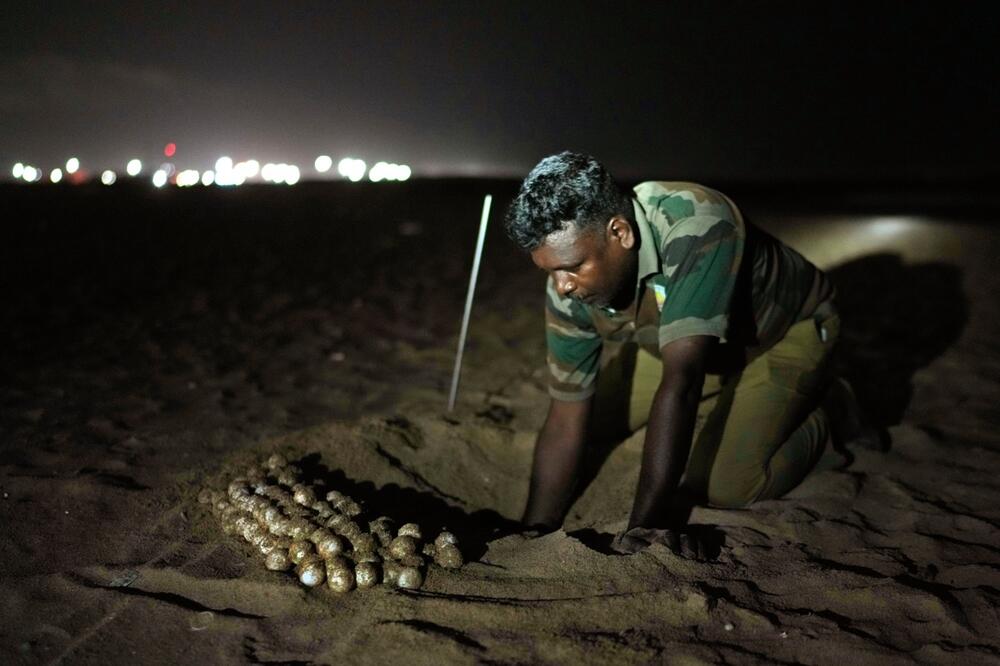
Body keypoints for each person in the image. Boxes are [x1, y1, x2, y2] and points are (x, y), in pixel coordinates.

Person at [504, 152, 857, 557]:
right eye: (549, 270)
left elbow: (682, 383)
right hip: (687, 351)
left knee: (727, 484)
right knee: (594, 424)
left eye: (572, 267)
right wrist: (532, 530)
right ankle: (734, 402)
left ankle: (834, 412)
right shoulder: (566, 287)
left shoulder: (697, 223)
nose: (561, 286)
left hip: (781, 335)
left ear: (620, 233)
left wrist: (644, 527)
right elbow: (567, 413)